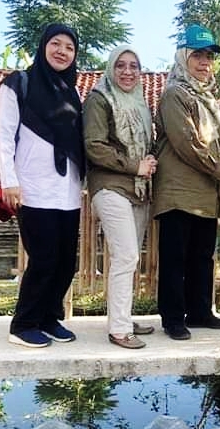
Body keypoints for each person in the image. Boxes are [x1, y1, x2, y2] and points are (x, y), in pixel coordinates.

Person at [152, 24, 220, 341]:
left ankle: (199, 312)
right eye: (197, 55)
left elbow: (216, 145)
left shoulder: (208, 98)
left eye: (209, 57)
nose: (204, 63)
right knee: (174, 259)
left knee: (201, 257)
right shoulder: (175, 95)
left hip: (205, 195)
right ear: (184, 58)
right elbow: (187, 144)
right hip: (177, 192)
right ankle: (173, 319)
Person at [0, 24, 84, 348]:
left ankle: (48, 317)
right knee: (43, 258)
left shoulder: (71, 92)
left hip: (68, 190)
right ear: (43, 46)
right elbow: (3, 135)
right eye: (55, 43)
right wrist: (9, 182)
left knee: (64, 262)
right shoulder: (19, 83)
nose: (62, 51)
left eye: (69, 47)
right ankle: (23, 323)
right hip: (32, 187)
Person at [83, 46, 158, 349]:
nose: (127, 72)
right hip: (110, 186)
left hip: (138, 190)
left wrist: (148, 162)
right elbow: (94, 146)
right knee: (126, 255)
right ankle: (118, 329)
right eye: (121, 66)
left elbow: (148, 143)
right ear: (111, 68)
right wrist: (135, 165)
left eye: (134, 66)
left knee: (129, 258)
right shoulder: (99, 99)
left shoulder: (140, 102)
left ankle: (123, 317)